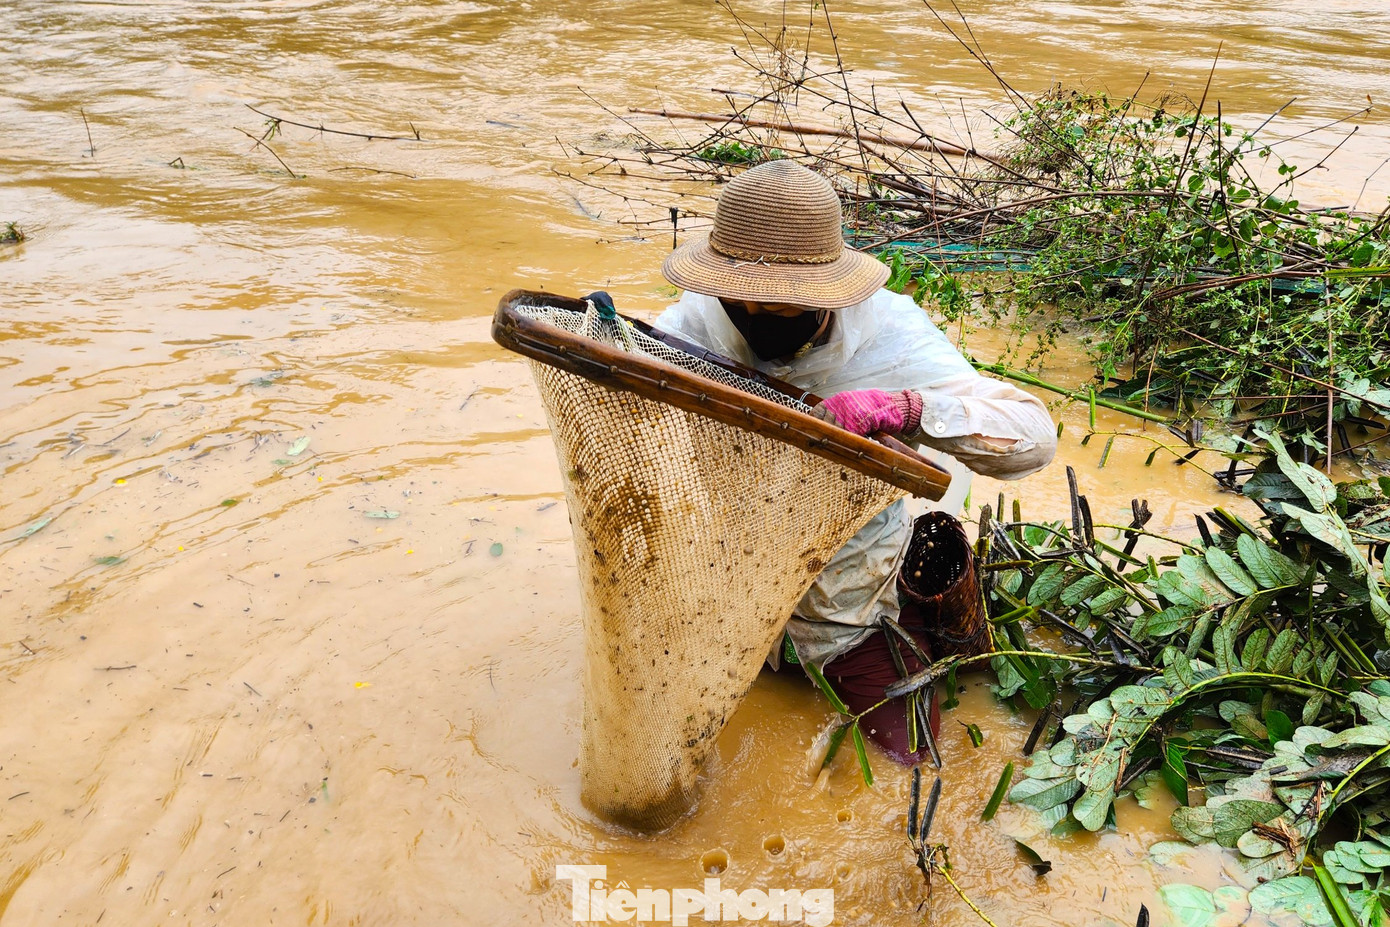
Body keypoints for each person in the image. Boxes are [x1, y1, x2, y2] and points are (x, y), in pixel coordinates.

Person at [653, 160, 1057, 763]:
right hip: (723, 591)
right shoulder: (691, 324)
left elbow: (1035, 438)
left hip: (847, 601)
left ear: (825, 295)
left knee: (912, 757)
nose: (758, 318)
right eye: (744, 304)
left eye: (781, 309)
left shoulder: (891, 333)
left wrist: (907, 408)